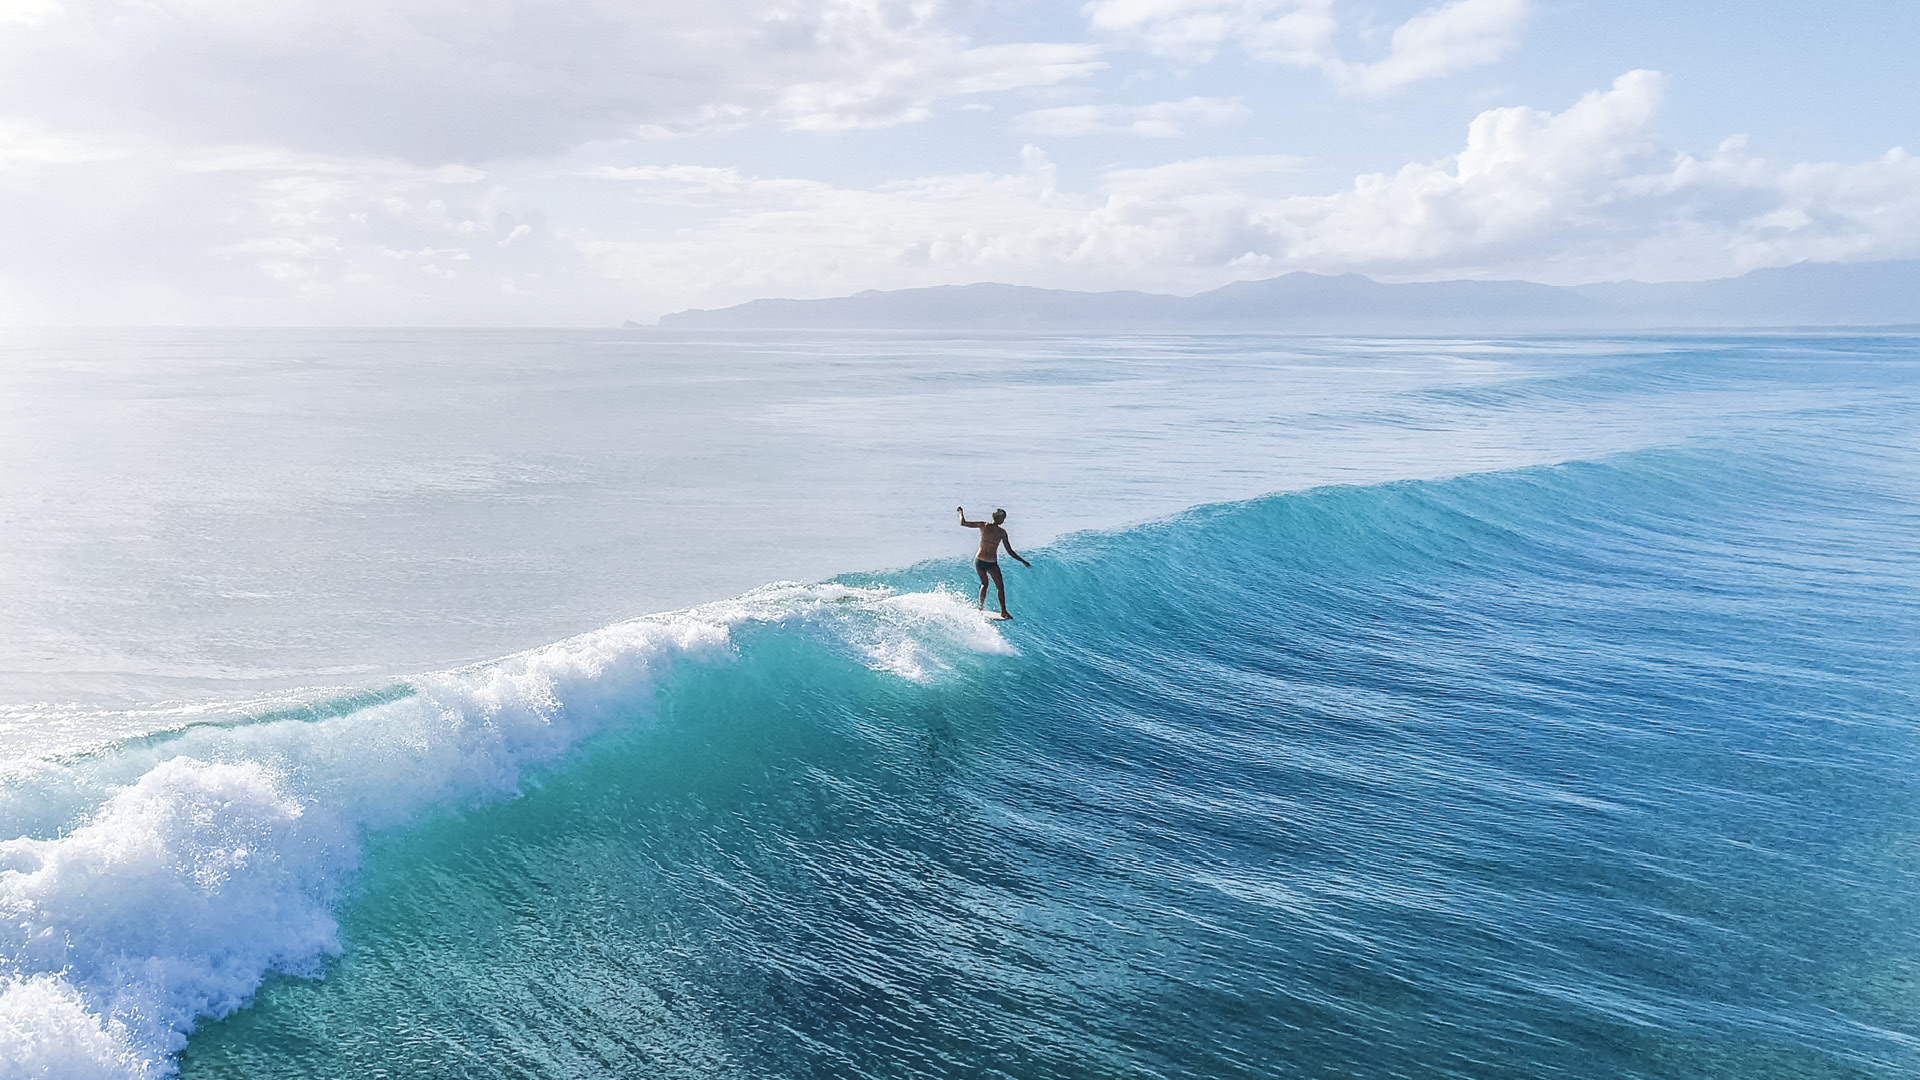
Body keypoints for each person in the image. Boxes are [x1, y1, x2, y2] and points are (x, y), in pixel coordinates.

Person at [958, 506, 1031, 619]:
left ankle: (980, 608)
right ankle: (1003, 611)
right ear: (1000, 519)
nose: (1004, 521)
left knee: (984, 584)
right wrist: (1022, 561)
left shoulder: (983, 525)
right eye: (1003, 519)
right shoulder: (1002, 532)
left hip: (979, 561)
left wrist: (961, 512)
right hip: (991, 563)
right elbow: (1010, 551)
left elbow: (963, 523)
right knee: (1000, 587)